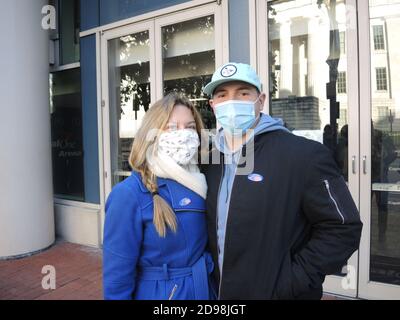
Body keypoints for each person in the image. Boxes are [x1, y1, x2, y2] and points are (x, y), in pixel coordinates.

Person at [202, 62, 363, 300]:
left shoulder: (303, 155)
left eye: (243, 93)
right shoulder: (209, 160)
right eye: (222, 95)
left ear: (261, 100)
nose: (232, 102)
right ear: (212, 105)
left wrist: (292, 281)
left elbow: (342, 227)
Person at [103, 93, 216, 300]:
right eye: (172, 127)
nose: (184, 134)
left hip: (204, 290)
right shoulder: (128, 194)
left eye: (190, 127)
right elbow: (117, 279)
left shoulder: (201, 179)